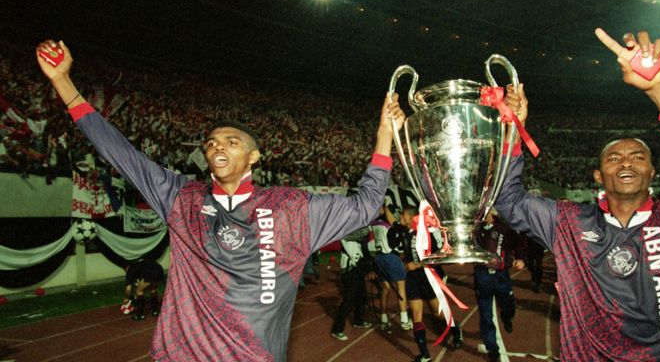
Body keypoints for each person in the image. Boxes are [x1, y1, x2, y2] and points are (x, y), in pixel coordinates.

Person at [35, 39, 405, 362]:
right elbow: (120, 153)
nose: (217, 147)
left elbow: (365, 206)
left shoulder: (291, 206)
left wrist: (384, 134)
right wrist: (63, 83)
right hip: (182, 355)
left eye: (231, 141)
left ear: (254, 157)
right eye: (211, 143)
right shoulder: (181, 197)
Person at [494, 29, 660, 361]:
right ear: (598, 175)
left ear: (652, 172)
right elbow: (509, 200)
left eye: (638, 157)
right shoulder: (570, 223)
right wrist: (512, 130)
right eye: (613, 159)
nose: (626, 163)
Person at [391, 206, 462, 362]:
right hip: (412, 280)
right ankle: (424, 355)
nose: (400, 217)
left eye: (402, 215)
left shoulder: (423, 233)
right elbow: (392, 223)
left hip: (427, 278)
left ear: (411, 218)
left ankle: (456, 331)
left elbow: (437, 255)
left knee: (438, 313)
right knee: (416, 316)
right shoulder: (404, 233)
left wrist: (417, 265)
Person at [473, 209, 525, 362]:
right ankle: (492, 349)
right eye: (482, 214)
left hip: (501, 275)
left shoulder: (503, 228)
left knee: (508, 305)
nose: (485, 217)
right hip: (482, 276)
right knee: (485, 313)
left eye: (487, 213)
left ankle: (506, 316)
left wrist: (521, 258)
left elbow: (519, 243)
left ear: (492, 213)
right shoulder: (474, 231)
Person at [330, 225, 374, 341]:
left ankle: (358, 320)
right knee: (349, 299)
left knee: (362, 295)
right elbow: (358, 254)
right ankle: (337, 329)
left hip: (356, 268)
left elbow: (364, 247)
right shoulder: (347, 234)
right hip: (349, 269)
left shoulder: (360, 233)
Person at [373, 204, 411, 332]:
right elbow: (393, 241)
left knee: (385, 289)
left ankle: (384, 320)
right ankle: (404, 320)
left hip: (379, 258)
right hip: (391, 257)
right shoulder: (392, 226)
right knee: (401, 288)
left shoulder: (375, 223)